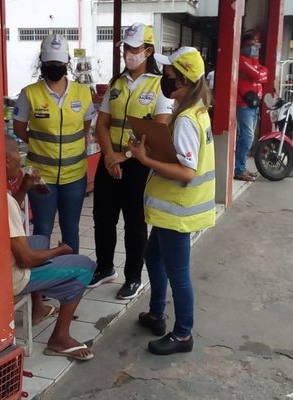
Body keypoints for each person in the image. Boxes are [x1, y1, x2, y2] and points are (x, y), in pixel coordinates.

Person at [127, 47, 216, 355]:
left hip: (178, 212)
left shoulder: (188, 120)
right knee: (153, 257)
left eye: (168, 76)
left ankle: (183, 334)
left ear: (184, 80)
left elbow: (187, 172)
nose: (164, 80)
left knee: (179, 276)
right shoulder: (194, 111)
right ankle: (155, 313)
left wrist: (144, 158)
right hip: (170, 212)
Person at [90, 22, 173, 300]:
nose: (128, 53)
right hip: (109, 161)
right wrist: (109, 156)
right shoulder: (116, 83)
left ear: (148, 51)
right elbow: (101, 123)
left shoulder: (160, 86)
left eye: (134, 48)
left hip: (137, 164)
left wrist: (123, 156)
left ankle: (134, 277)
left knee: (135, 223)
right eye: (126, 47)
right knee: (102, 217)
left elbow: (158, 130)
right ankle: (104, 268)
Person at [5, 137, 96, 360]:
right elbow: (26, 259)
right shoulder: (2, 198)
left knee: (39, 241)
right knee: (85, 267)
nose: (21, 158)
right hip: (11, 275)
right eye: (18, 152)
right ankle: (60, 337)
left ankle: (39, 308)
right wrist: (60, 251)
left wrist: (25, 187)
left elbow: (9, 215)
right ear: (6, 160)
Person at [13, 33, 96, 254]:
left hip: (75, 176)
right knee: (42, 229)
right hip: (41, 177)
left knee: (71, 229)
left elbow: (86, 126)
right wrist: (42, 145)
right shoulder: (29, 94)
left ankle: (72, 278)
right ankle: (43, 281)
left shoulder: (82, 92)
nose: (55, 67)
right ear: (42, 61)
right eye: (50, 63)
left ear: (67, 61)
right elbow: (19, 129)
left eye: (59, 63)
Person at [234, 32, 267, 182]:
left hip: (253, 106)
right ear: (243, 46)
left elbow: (263, 75)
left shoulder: (254, 61)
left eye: (255, 45)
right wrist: (256, 74)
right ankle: (239, 169)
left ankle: (240, 167)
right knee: (247, 138)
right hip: (244, 105)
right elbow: (259, 76)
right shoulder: (241, 60)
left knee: (245, 138)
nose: (254, 48)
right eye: (251, 45)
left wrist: (256, 74)